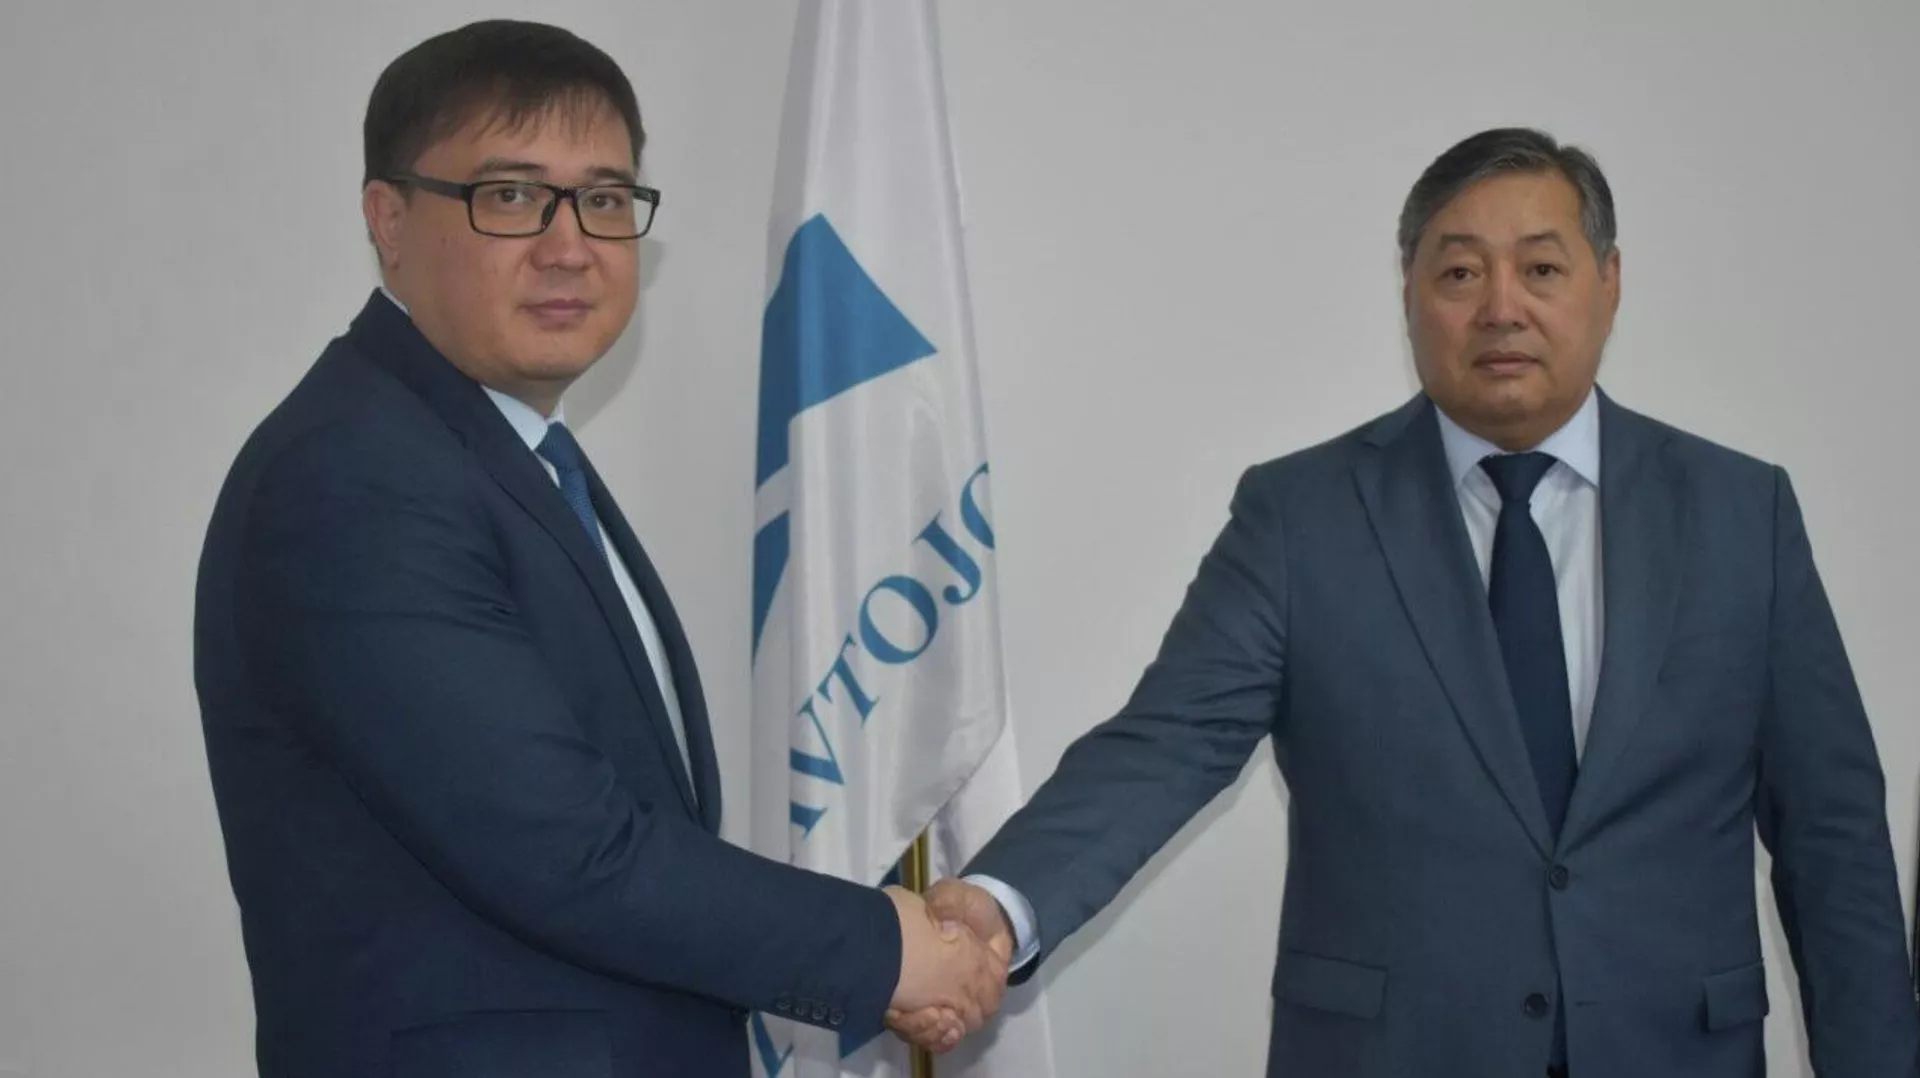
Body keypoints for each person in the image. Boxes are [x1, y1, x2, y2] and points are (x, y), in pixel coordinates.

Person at [897, 127, 1919, 1077]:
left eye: (1543, 269)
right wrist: (998, 906)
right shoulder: (1302, 517)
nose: (1502, 308)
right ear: (1410, 293)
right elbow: (1168, 744)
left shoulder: (1741, 514)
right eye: (1461, 272)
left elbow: (1832, 839)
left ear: (1609, 284)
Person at [193, 20, 1002, 1078]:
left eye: (606, 200)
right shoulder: (355, 478)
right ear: (388, 220)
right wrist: (889, 950)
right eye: (511, 195)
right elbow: (566, 849)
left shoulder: (501, 453)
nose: (569, 244)